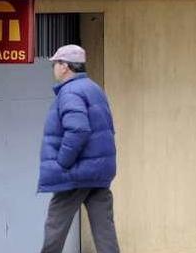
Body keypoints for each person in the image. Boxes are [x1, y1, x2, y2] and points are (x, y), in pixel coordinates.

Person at [39, 45, 119, 253]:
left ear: (65, 66)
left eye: (56, 63)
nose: (54, 68)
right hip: (99, 171)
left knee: (55, 226)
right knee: (104, 230)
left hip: (76, 173)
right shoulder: (93, 88)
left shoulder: (70, 92)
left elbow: (78, 130)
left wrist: (63, 163)